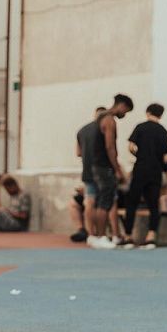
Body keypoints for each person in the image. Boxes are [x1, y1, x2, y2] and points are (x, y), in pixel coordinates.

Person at [119, 103, 167, 250]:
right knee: (153, 204)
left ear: (148, 112)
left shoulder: (141, 127)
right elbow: (165, 158)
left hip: (141, 168)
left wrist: (140, 155)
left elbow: (131, 147)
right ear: (161, 115)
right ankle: (151, 236)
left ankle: (128, 236)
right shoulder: (165, 132)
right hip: (155, 171)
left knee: (132, 201)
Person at [89, 94, 134, 249]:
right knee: (105, 201)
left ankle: (98, 236)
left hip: (97, 164)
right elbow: (110, 147)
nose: (124, 115)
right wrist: (117, 169)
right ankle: (101, 236)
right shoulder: (109, 120)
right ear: (121, 106)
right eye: (126, 111)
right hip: (104, 166)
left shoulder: (100, 118)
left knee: (101, 199)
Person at [73, 105, 106, 243]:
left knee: (89, 202)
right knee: (104, 203)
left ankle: (90, 233)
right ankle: (100, 233)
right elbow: (109, 147)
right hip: (102, 169)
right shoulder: (103, 128)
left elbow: (78, 153)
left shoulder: (82, 130)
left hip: (87, 170)